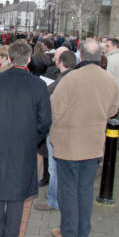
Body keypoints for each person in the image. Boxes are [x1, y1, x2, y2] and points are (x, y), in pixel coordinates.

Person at [0, 40, 51, 237]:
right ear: (28, 60)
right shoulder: (38, 85)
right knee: (18, 193)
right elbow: (45, 121)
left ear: (9, 58)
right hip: (24, 146)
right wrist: (32, 140)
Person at [49, 39, 119, 237]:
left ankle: (69, 233)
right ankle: (83, 231)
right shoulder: (109, 80)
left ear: (80, 55)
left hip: (68, 143)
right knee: (86, 188)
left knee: (68, 189)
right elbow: (113, 109)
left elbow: (55, 109)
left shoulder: (70, 79)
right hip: (93, 143)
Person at [34, 49, 76, 213]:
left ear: (61, 63)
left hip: (58, 128)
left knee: (54, 166)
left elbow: (52, 104)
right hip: (70, 128)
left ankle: (54, 200)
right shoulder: (74, 77)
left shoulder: (62, 81)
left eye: (57, 59)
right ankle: (59, 196)